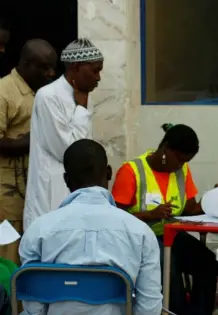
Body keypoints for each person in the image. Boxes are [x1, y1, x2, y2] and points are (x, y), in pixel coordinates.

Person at [19, 139, 162, 315]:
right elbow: (150, 306)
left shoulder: (38, 230)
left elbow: (33, 306)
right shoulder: (141, 233)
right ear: (109, 172)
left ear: (66, 179)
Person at [112, 123, 218, 315]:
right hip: (142, 240)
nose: (181, 165)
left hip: (172, 236)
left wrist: (214, 199)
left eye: (186, 161)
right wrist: (149, 215)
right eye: (178, 159)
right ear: (165, 148)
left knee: (208, 262)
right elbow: (114, 219)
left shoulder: (182, 171)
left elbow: (189, 209)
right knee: (168, 270)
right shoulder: (131, 171)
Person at [23, 38, 103, 230]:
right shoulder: (48, 96)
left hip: (73, 195)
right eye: (95, 71)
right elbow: (70, 152)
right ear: (76, 66)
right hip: (50, 196)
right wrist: (81, 109)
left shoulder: (81, 96)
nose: (98, 78)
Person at [0, 39, 56, 264]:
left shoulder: (42, 93)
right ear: (26, 64)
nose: (51, 73)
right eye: (44, 67)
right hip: (6, 198)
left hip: (32, 194)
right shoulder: (4, 91)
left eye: (52, 66)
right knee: (9, 258)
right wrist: (34, 141)